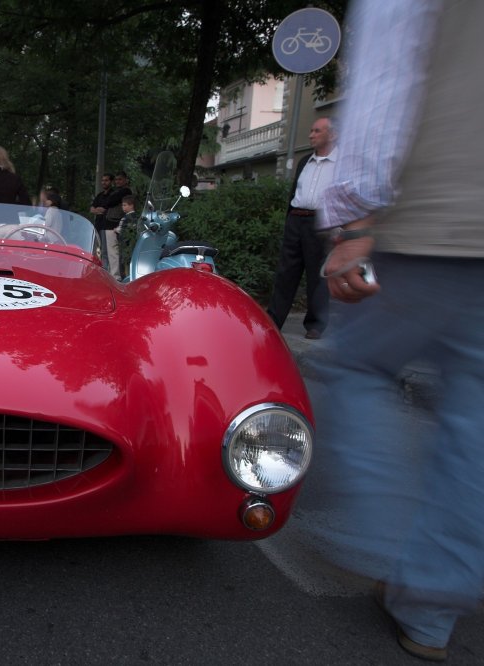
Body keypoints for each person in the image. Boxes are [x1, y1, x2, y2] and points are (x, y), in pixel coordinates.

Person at [315, 1, 484, 660]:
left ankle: (378, 545)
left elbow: (390, 71)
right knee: (474, 421)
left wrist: (357, 220)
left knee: (355, 368)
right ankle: (433, 606)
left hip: (427, 223)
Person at [267, 117, 336, 339]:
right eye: (311, 130)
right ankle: (273, 319)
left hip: (321, 223)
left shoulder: (341, 164)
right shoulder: (304, 161)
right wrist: (289, 220)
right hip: (296, 219)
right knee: (286, 272)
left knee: (317, 275)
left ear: (331, 134)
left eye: (317, 131)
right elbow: (294, 194)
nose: (311, 135)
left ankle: (315, 324)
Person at [102, 171, 132, 280]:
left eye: (120, 179)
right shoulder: (116, 191)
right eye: (116, 180)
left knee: (115, 252)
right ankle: (114, 274)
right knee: (110, 252)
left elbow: (108, 202)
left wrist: (108, 200)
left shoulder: (126, 191)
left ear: (125, 180)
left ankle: (116, 276)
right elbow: (106, 201)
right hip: (110, 223)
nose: (117, 182)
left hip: (116, 224)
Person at [90, 173, 114, 271]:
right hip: (98, 225)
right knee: (96, 249)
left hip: (107, 226)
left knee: (105, 250)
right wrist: (97, 210)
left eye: (106, 180)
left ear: (111, 182)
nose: (104, 182)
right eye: (103, 180)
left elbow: (105, 209)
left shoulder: (113, 194)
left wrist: (99, 210)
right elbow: (92, 209)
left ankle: (105, 270)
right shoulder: (99, 195)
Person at [117, 194, 140, 280]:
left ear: (131, 205)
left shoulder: (130, 218)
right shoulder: (131, 217)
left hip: (127, 245)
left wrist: (117, 230)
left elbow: (127, 231)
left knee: (125, 263)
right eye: (122, 205)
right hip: (126, 244)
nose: (123, 207)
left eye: (125, 205)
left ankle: (127, 278)